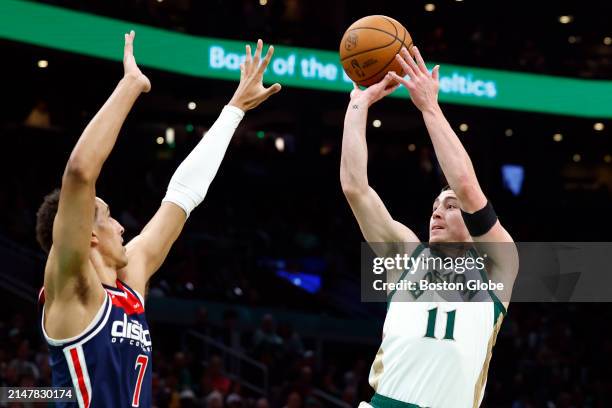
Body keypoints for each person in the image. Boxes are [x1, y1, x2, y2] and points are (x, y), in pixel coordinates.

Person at [34, 31, 281, 407]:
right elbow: (80, 172)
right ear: (88, 236)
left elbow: (182, 196)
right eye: (108, 217)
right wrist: (131, 85)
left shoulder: (130, 281)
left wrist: (234, 110)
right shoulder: (71, 286)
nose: (121, 226)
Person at [340, 45, 518, 408]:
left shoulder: (498, 266)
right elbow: (355, 188)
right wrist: (358, 105)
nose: (436, 212)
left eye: (449, 207)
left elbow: (467, 188)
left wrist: (429, 107)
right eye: (435, 206)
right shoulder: (406, 255)